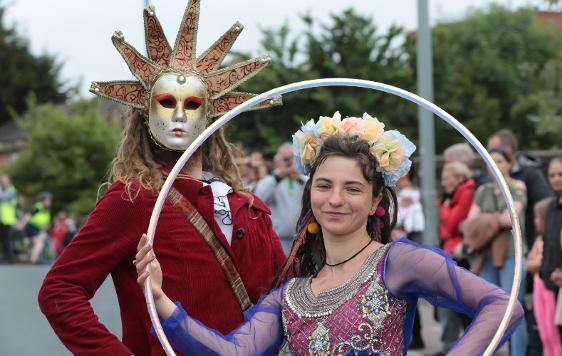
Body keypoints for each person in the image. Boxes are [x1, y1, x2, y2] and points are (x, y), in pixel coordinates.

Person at [135, 113, 524, 355]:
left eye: (352, 189)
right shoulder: (291, 296)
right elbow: (234, 354)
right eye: (324, 186)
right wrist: (160, 298)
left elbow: (503, 308)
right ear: (311, 194)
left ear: (375, 202)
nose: (336, 199)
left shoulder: (398, 262)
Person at [37, 2, 285, 355]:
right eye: (167, 102)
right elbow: (60, 291)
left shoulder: (248, 205)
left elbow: (287, 295)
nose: (180, 115)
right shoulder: (132, 199)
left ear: (213, 112)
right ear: (145, 112)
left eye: (193, 104)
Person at [463, 146, 528, 356]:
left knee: (513, 309)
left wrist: (486, 221)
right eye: (491, 161)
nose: (495, 166)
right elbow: (470, 224)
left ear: (510, 163)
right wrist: (495, 221)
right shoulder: (483, 191)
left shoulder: (517, 186)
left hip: (511, 255)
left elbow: (511, 218)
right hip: (486, 255)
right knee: (489, 309)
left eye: (500, 161)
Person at [488, 129, 551, 251]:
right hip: (491, 246)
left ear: (508, 150)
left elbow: (544, 204)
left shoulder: (530, 174)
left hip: (523, 242)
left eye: (493, 148)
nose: (489, 153)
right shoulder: (488, 179)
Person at [435, 161, 475, 354]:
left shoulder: (466, 193)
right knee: (448, 303)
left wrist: (444, 208)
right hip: (449, 251)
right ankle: (449, 346)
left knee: (460, 303)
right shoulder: (450, 197)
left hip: (461, 256)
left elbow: (450, 225)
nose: (443, 182)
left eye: (447, 178)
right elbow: (444, 230)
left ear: (459, 178)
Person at [540, 157, 562, 353]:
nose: (556, 179)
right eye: (552, 175)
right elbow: (548, 239)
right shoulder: (551, 206)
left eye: (561, 174)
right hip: (551, 277)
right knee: (553, 332)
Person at [255, 143, 307, 255]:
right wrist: (279, 176)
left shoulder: (302, 179)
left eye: (292, 158)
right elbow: (259, 199)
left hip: (303, 239)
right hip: (279, 240)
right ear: (277, 160)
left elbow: (312, 192)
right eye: (286, 158)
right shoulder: (270, 181)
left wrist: (298, 177)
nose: (289, 162)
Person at [528, 197, 562, 356]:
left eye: (537, 217)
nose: (535, 221)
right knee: (543, 333)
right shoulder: (539, 240)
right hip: (538, 288)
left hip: (549, 288)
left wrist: (537, 263)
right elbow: (529, 264)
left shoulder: (552, 241)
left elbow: (538, 264)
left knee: (553, 332)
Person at [19, 192, 52, 264]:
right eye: (48, 200)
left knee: (36, 243)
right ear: (43, 200)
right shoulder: (39, 207)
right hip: (32, 226)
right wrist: (22, 224)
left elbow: (45, 221)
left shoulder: (46, 209)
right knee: (39, 243)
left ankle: (29, 254)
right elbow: (28, 215)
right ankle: (33, 259)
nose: (49, 202)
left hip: (38, 228)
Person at [0, 175, 18, 263]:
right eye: (1, 181)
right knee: (3, 240)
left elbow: (3, 197)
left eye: (4, 181)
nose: (2, 183)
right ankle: (4, 257)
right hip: (1, 219)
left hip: (8, 219)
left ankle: (11, 258)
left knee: (8, 240)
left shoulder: (12, 190)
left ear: (8, 182)